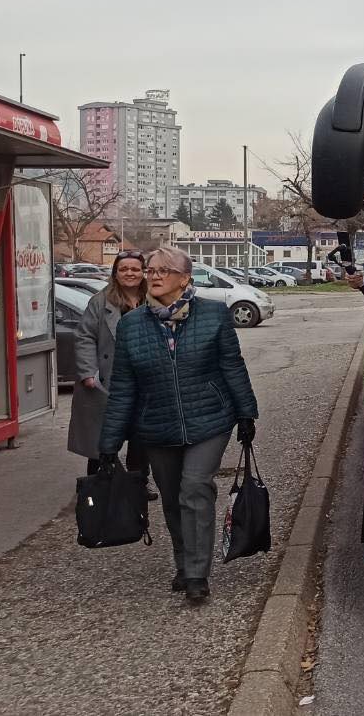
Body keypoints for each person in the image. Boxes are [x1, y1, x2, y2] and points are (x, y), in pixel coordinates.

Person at [99, 246, 259, 604]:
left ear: (185, 278)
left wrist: (246, 414)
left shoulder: (214, 315)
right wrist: (109, 442)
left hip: (210, 420)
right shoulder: (131, 326)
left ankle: (197, 573)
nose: (153, 276)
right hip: (158, 425)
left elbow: (233, 366)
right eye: (150, 270)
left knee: (195, 487)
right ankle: (184, 561)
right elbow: (123, 388)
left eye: (162, 271)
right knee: (172, 499)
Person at [68, 250, 153, 498]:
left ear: (142, 273)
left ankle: (138, 484)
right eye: (124, 269)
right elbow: (84, 337)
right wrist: (88, 373)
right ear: (115, 273)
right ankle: (98, 486)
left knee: (141, 439)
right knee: (103, 438)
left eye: (135, 269)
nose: (130, 273)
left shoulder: (152, 299)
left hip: (143, 381)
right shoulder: (100, 301)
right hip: (107, 380)